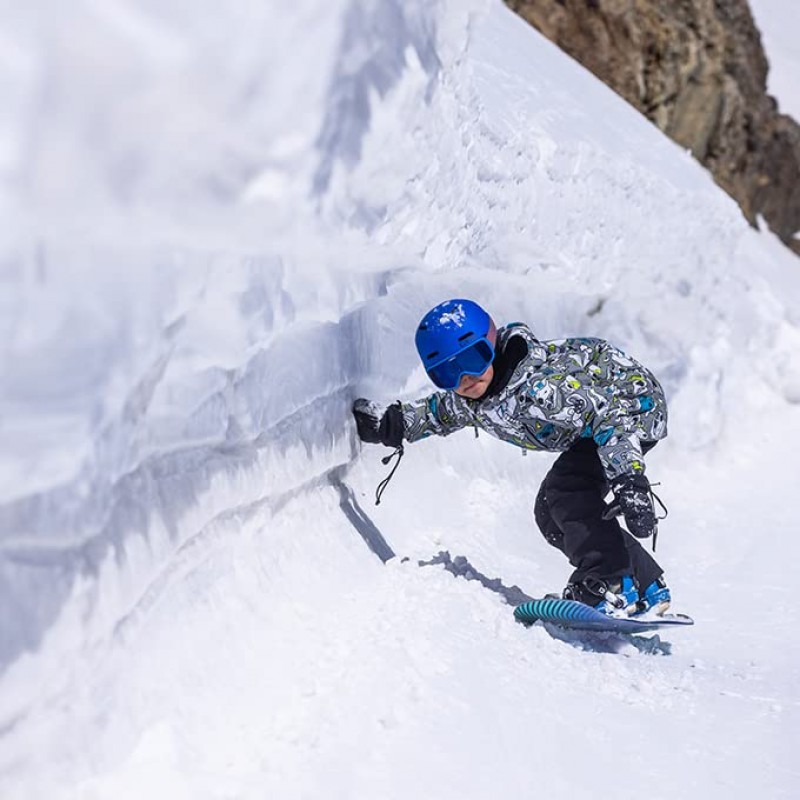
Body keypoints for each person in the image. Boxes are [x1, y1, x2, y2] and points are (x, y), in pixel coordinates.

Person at [352, 298, 672, 616]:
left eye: (473, 357)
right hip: (599, 426)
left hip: (632, 411)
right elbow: (441, 412)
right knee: (550, 513)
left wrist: (630, 481)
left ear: (491, 344)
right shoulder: (476, 394)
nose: (466, 378)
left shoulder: (542, 390)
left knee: (568, 493)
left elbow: (611, 418)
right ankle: (645, 583)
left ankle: (611, 583)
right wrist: (391, 425)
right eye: (448, 372)